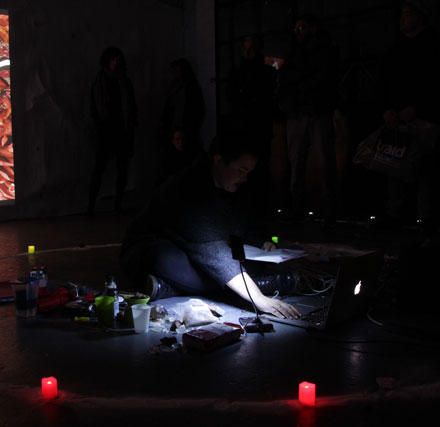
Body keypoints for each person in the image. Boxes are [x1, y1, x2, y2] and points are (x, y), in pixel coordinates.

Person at [120, 133, 300, 319]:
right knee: (165, 258)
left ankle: (168, 288)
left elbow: (242, 228)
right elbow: (213, 253)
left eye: (248, 172)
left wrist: (262, 242)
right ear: (218, 161)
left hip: (199, 252)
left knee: (243, 266)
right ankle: (263, 283)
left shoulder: (230, 187)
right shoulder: (189, 187)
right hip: (153, 249)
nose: (244, 178)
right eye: (241, 170)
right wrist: (259, 298)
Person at [379, 1, 439, 234]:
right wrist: (386, 109)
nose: (402, 18)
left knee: (424, 168)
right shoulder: (396, 48)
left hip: (424, 118)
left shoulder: (432, 46)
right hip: (397, 118)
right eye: (401, 14)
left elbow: (431, 82)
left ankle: (427, 217)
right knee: (395, 166)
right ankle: (396, 214)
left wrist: (415, 108)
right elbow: (385, 82)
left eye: (408, 13)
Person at [278, 14, 339, 222]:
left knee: (321, 162)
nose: (298, 32)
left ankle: (323, 209)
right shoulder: (299, 53)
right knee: (302, 163)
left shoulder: (323, 52)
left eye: (301, 28)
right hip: (302, 112)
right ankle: (304, 208)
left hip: (314, 111)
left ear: (312, 28)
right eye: (296, 29)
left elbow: (323, 79)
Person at [225, 35, 277, 218]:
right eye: (245, 49)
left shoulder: (265, 74)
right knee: (243, 168)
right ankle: (246, 208)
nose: (247, 53)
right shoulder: (240, 74)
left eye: (250, 49)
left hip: (258, 128)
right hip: (244, 128)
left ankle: (257, 209)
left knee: (259, 169)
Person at [88, 46, 138, 216]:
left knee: (122, 170)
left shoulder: (124, 81)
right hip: (106, 132)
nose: (115, 62)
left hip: (122, 131)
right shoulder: (100, 81)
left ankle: (117, 205)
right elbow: (94, 108)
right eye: (113, 59)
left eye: (117, 59)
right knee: (99, 170)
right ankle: (90, 206)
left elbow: (131, 106)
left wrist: (130, 127)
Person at [158, 58, 205, 182]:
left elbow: (198, 109)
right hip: (176, 128)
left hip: (186, 128)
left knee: (187, 157)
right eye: (174, 71)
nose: (175, 73)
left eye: (177, 70)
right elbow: (169, 107)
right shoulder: (175, 87)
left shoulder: (190, 87)